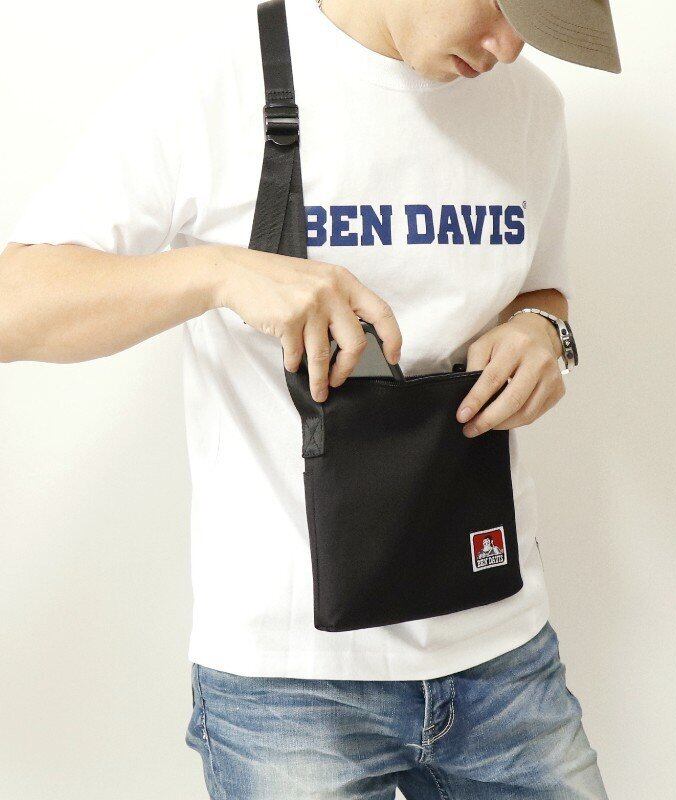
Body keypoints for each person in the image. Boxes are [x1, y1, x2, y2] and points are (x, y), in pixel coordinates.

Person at [0, 0, 621, 797]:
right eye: (502, 5)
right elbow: (15, 305)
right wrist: (218, 272)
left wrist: (541, 331)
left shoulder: (530, 104)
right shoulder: (215, 81)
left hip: (501, 648)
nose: (509, 46)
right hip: (289, 687)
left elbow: (541, 288)